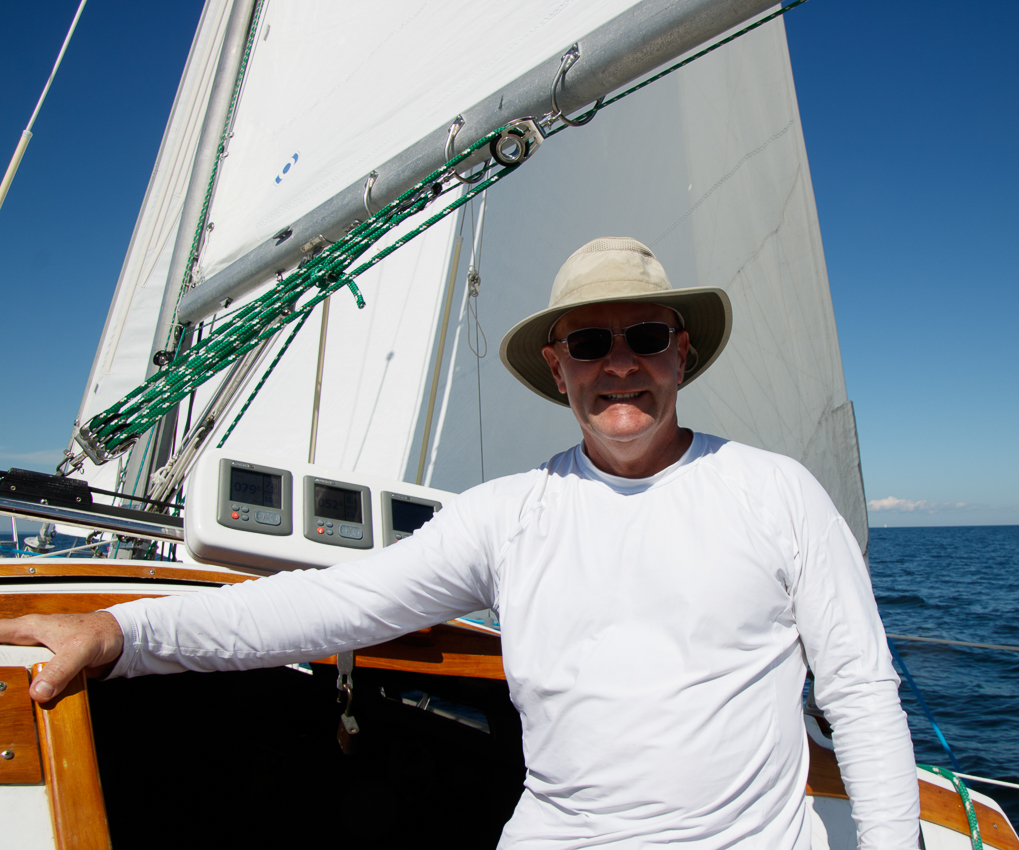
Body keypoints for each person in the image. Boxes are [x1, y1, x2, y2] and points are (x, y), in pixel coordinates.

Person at [0, 237, 919, 848]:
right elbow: (329, 604)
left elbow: (859, 695)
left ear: (681, 350)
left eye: (644, 336)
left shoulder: (775, 493)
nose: (619, 362)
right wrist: (125, 634)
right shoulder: (508, 514)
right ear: (557, 369)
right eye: (589, 343)